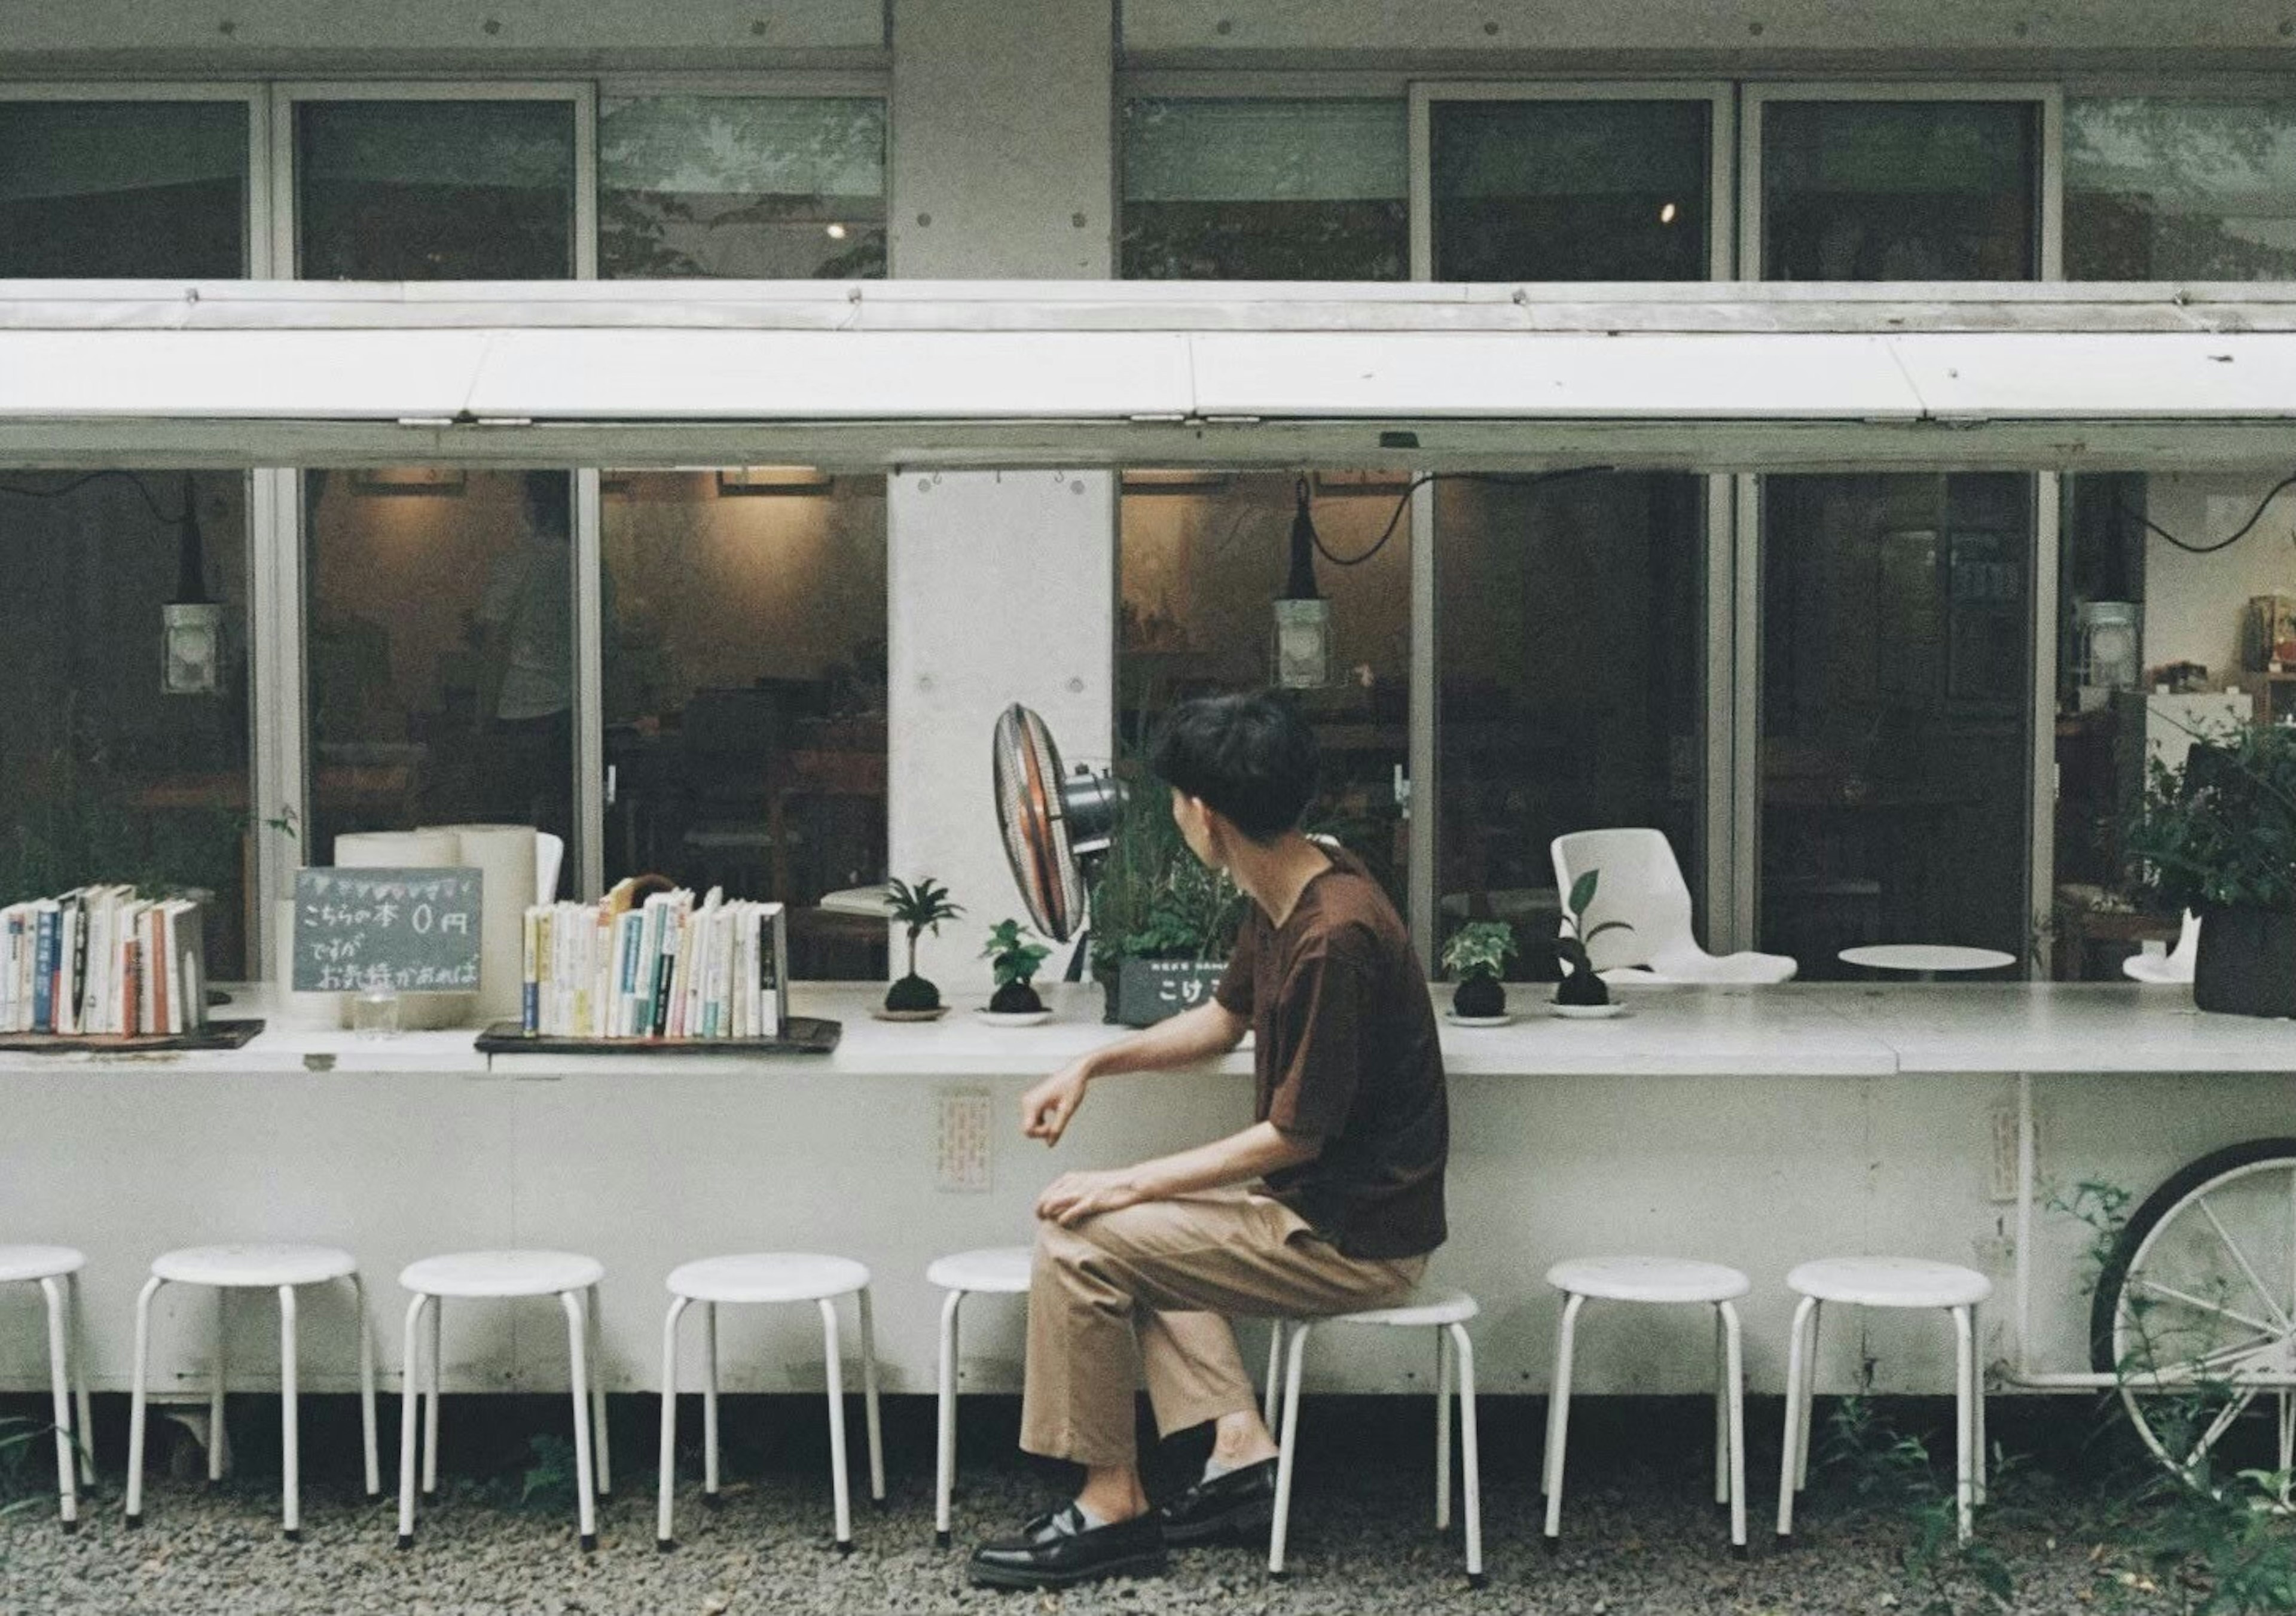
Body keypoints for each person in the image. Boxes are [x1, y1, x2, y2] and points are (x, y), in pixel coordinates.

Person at [970, 691, 1449, 1591]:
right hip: (1318, 1211)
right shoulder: (1297, 880)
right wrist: (1092, 1066)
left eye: (1178, 799)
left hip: (1351, 1237)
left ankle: (1112, 1505)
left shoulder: (1333, 936)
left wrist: (1125, 1184)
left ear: (1204, 814)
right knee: (1136, 1227)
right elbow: (1224, 1020)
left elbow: (1293, 1136)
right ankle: (1239, 1449)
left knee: (1084, 1241)